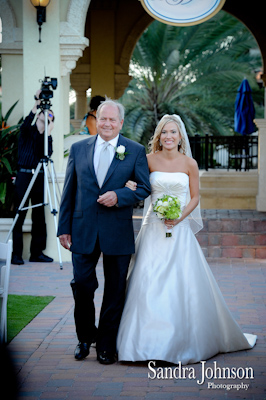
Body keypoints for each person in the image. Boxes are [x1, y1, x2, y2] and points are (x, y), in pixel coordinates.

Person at [117, 114, 257, 365]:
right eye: (164, 132)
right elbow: (138, 186)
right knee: (147, 277)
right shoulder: (147, 160)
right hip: (153, 227)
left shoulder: (190, 163)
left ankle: (179, 343)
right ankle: (141, 343)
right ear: (158, 137)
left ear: (180, 136)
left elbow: (194, 197)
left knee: (180, 281)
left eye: (173, 132)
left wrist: (179, 217)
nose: (168, 136)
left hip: (178, 228)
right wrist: (128, 186)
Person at [57, 98, 151, 364]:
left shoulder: (134, 150)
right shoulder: (78, 149)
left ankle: (107, 344)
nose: (107, 123)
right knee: (83, 285)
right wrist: (64, 227)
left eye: (112, 119)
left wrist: (119, 196)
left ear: (120, 123)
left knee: (115, 289)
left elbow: (144, 188)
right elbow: (70, 191)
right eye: (102, 118)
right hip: (82, 228)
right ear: (96, 120)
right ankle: (85, 338)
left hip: (117, 231)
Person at [11, 90, 54, 265]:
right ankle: (16, 254)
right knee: (19, 214)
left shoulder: (46, 138)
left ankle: (37, 253)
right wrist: (37, 102)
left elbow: (48, 154)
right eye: (44, 116)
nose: (46, 118)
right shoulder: (27, 131)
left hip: (39, 177)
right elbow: (26, 123)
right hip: (24, 175)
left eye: (49, 117)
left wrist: (49, 132)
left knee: (39, 215)